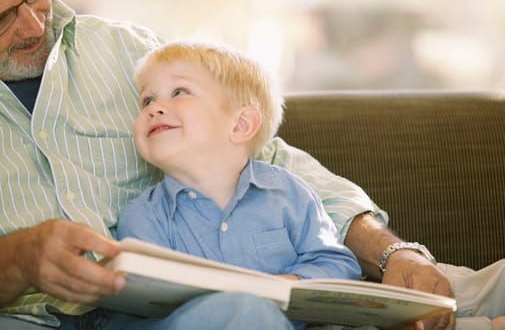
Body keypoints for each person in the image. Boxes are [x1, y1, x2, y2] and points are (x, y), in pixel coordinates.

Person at [0, 0, 505, 329]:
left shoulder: (124, 50)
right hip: (37, 317)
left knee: (466, 286)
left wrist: (389, 252)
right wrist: (9, 264)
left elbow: (270, 160)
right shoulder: (152, 213)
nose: (35, 22)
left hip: (290, 297)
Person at [116, 41, 362, 328]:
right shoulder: (143, 217)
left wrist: (279, 287)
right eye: (147, 100)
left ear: (241, 125)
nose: (155, 109)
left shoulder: (289, 194)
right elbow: (145, 305)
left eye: (179, 92)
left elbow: (338, 265)